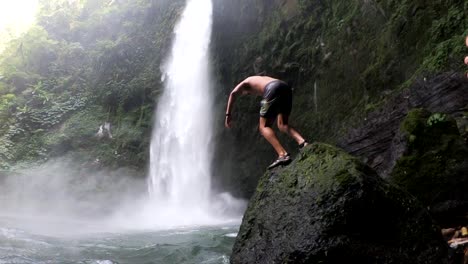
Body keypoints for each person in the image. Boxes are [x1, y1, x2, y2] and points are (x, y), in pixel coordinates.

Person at [225, 76, 309, 169]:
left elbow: (233, 94)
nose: (248, 94)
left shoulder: (245, 82)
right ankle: (303, 142)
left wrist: (228, 115)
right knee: (282, 124)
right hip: (285, 87)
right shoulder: (259, 78)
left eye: (247, 93)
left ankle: (282, 154)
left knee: (263, 127)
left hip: (271, 89)